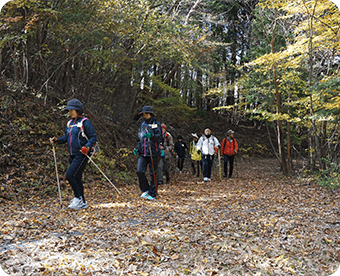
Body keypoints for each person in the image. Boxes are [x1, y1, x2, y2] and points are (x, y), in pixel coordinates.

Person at [50, 99, 97, 210]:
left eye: (71, 110)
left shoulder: (85, 122)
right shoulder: (70, 123)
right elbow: (67, 137)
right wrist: (57, 140)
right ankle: (82, 202)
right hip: (72, 154)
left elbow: (93, 137)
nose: (69, 112)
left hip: (82, 153)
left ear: (77, 110)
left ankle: (78, 198)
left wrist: (87, 147)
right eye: (69, 110)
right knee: (77, 176)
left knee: (70, 175)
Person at [134, 106, 162, 200]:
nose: (144, 116)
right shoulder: (142, 125)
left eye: (145, 114)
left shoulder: (156, 124)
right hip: (143, 152)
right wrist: (137, 148)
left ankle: (153, 193)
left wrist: (152, 136)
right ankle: (145, 189)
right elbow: (139, 139)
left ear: (150, 114)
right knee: (139, 171)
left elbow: (159, 138)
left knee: (153, 173)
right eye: (143, 114)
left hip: (153, 152)